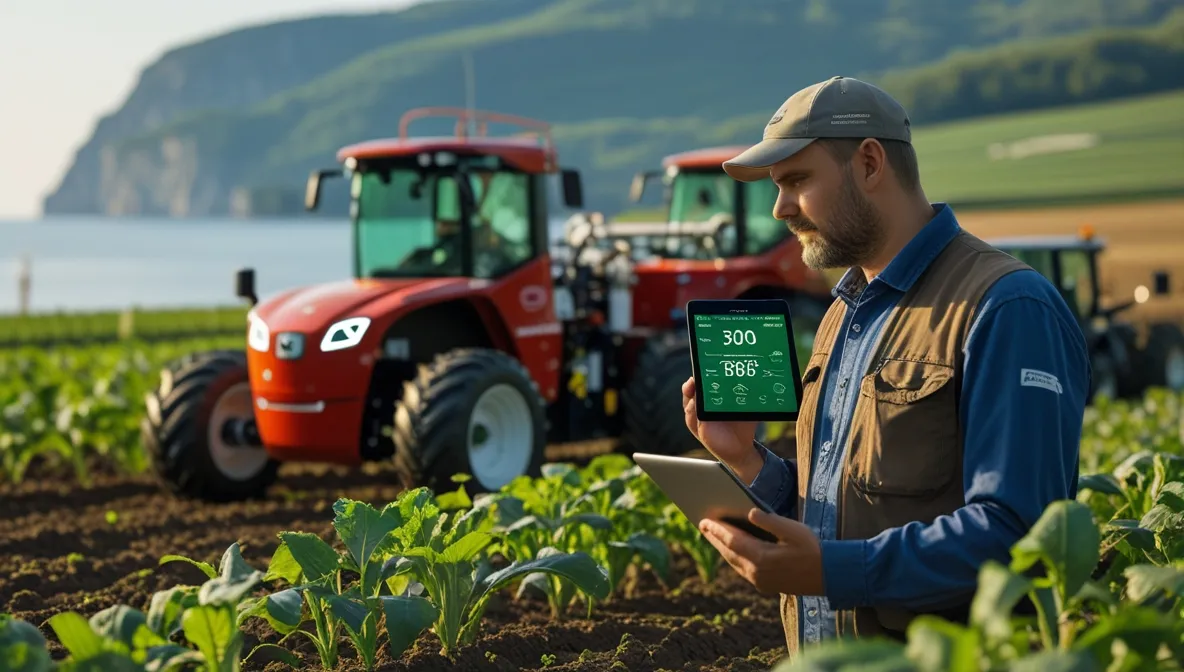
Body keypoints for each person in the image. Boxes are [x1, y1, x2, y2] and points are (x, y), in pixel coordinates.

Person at [680, 76, 1091, 658]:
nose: (780, 208)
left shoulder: (1006, 307)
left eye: (796, 180)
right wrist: (747, 461)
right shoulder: (843, 313)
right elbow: (846, 512)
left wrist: (834, 571)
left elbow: (1018, 534)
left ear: (870, 163)